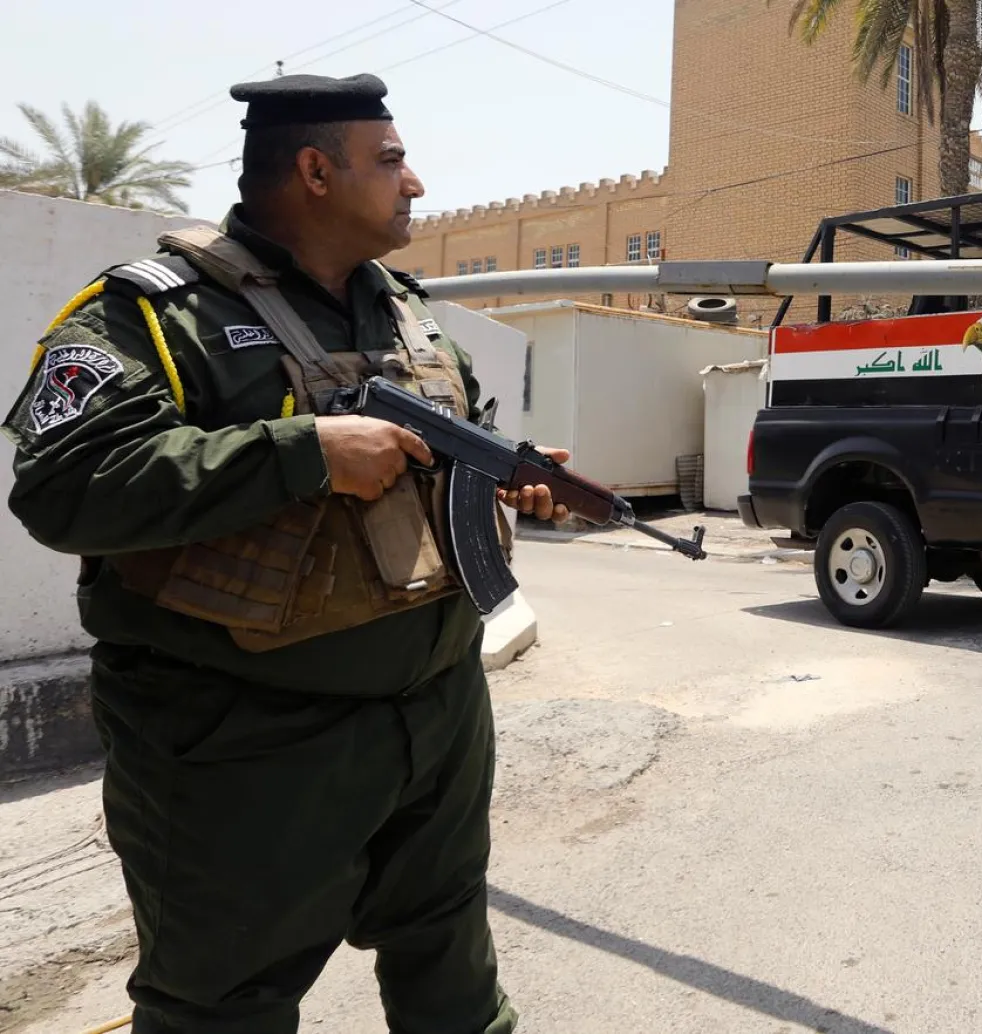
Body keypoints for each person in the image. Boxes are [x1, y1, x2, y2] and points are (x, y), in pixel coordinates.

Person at [1, 72, 563, 1033]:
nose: (415, 183)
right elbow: (61, 489)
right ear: (314, 170)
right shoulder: (152, 316)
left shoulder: (410, 315)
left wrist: (511, 475)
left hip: (437, 716)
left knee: (452, 969)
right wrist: (299, 451)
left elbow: (450, 443)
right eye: (390, 161)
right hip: (246, 746)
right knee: (222, 1002)